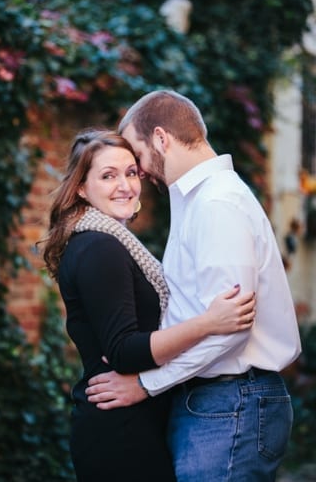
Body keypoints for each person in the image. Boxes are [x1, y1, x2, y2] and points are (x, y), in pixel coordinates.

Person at [86, 90, 302, 481]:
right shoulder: (198, 200)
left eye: (137, 154)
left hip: (231, 403)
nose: (139, 171)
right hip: (215, 402)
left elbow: (230, 330)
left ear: (161, 138)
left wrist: (146, 384)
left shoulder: (217, 203)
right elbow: (195, 313)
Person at [42, 128, 257, 481]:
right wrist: (208, 323)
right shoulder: (99, 247)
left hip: (135, 421)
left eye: (130, 172)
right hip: (120, 432)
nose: (125, 185)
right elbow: (125, 351)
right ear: (81, 188)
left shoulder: (110, 241)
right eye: (108, 176)